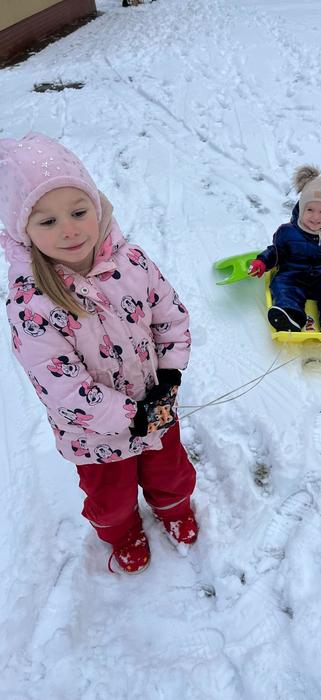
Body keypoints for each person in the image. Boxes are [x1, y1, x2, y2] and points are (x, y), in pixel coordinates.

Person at [0, 133, 197, 575]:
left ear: (97, 205)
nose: (69, 230)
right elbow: (62, 386)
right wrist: (128, 416)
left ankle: (174, 507)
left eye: (78, 211)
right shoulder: (31, 304)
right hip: (96, 439)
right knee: (111, 500)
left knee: (171, 473)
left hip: (156, 405)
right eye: (47, 221)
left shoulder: (133, 263)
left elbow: (170, 316)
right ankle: (122, 533)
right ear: (22, 230)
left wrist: (169, 377)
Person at [248, 165, 321, 332]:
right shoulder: (287, 231)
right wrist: (262, 262)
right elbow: (276, 252)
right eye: (310, 210)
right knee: (283, 285)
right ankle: (289, 315)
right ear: (301, 209)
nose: (315, 217)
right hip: (293, 275)